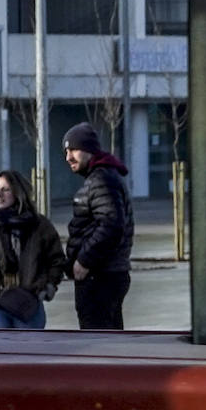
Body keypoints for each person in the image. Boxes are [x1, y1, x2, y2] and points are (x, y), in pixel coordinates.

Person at [0, 171, 66, 329]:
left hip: (28, 305)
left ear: (18, 192)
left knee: (28, 350)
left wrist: (47, 287)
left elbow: (57, 261)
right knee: (0, 351)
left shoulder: (39, 225)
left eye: (5, 190)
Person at [63, 122, 134, 328]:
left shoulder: (101, 179)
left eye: (74, 149)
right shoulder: (103, 177)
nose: (68, 157)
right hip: (103, 275)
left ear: (89, 150)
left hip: (100, 277)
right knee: (109, 341)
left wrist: (84, 261)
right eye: (66, 151)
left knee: (99, 343)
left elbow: (111, 224)